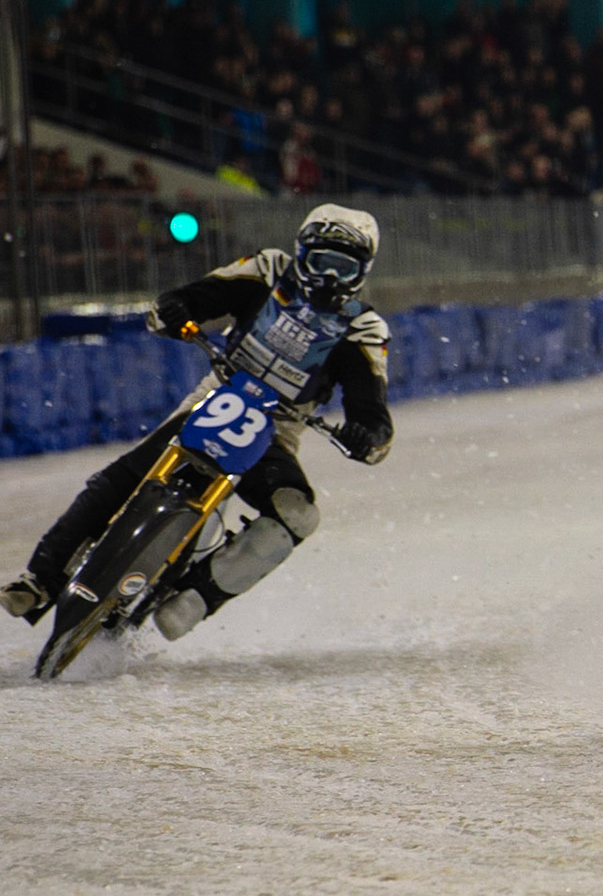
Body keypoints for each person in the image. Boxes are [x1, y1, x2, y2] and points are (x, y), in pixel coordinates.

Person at [0, 204, 395, 639]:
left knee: (298, 514)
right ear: (301, 254)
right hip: (214, 397)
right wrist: (175, 308)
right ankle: (41, 579)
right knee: (122, 476)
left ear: (364, 271)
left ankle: (197, 597)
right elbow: (202, 294)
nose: (329, 279)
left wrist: (368, 435)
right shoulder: (266, 269)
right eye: (322, 263)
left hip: (276, 429)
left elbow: (371, 407)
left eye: (343, 268)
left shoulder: (363, 328)